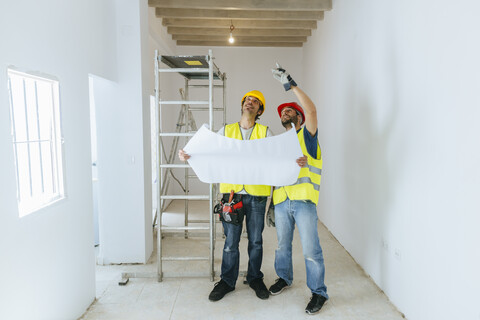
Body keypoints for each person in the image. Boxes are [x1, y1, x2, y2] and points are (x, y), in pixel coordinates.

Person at [178, 90, 273, 301]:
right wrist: (189, 154)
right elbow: (208, 149)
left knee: (256, 240)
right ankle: (227, 281)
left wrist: (294, 161)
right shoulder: (227, 130)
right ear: (242, 105)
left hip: (257, 195)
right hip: (232, 196)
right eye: (247, 100)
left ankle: (255, 278)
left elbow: (276, 156)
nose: (250, 102)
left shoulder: (265, 132)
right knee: (231, 241)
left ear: (260, 110)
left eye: (255, 101)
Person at [268, 64, 329, 315]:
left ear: (299, 117)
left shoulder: (308, 136)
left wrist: (290, 84)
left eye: (291, 111)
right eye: (283, 112)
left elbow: (312, 109)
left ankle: (318, 292)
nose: (286, 113)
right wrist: (272, 204)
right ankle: (284, 277)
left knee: (311, 249)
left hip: (304, 202)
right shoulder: (279, 143)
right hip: (282, 201)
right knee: (282, 246)